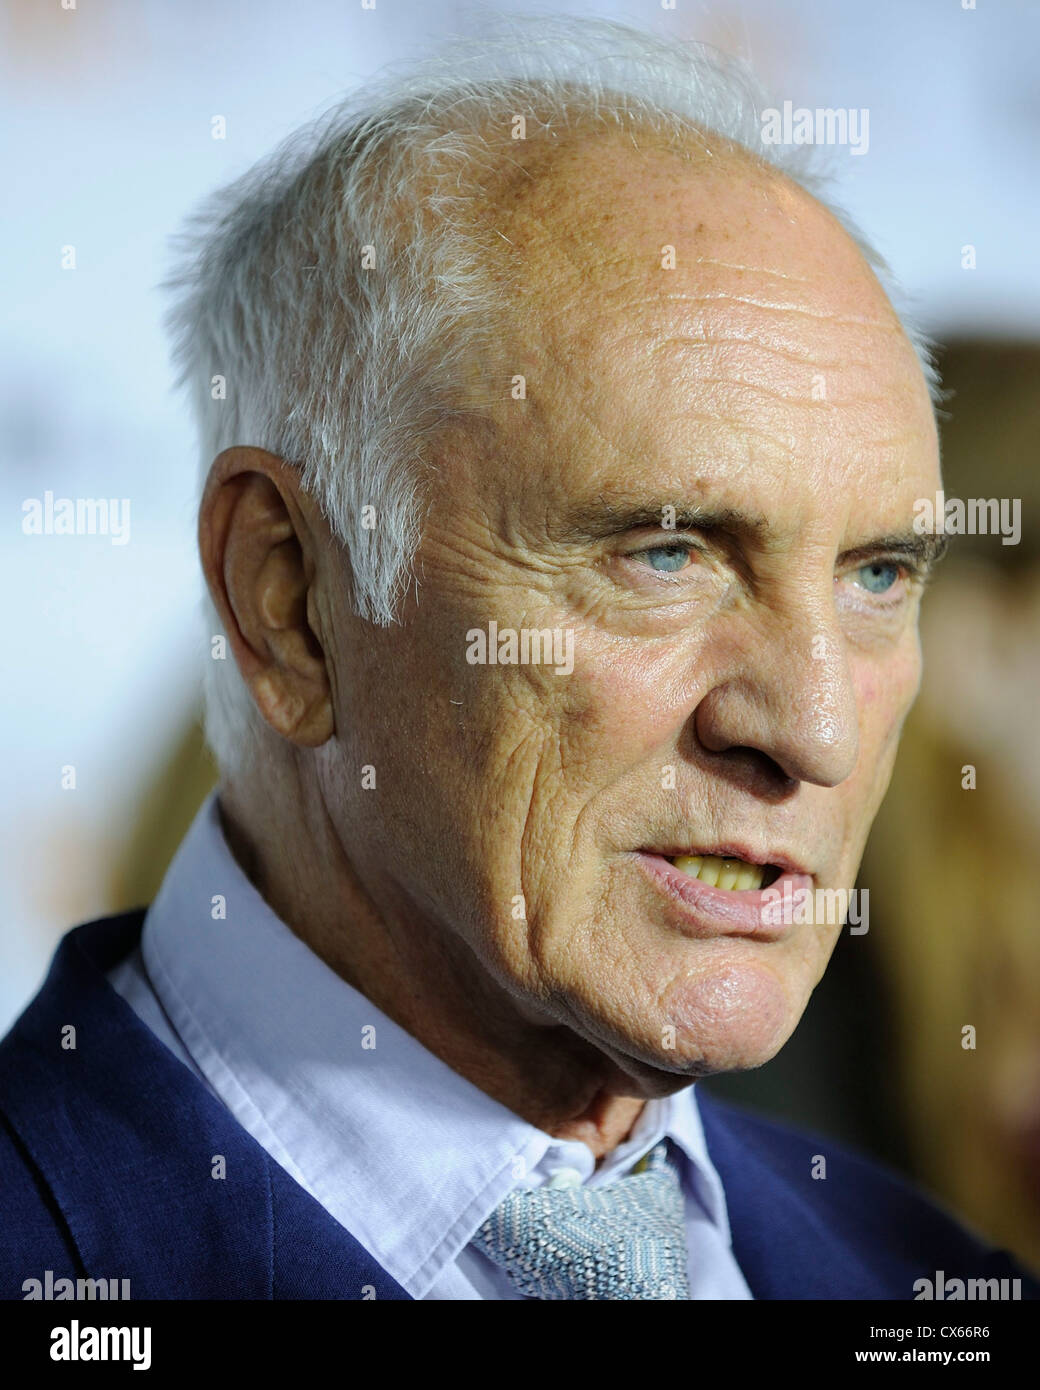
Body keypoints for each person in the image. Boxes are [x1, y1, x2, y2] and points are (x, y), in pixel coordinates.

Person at [2, 17, 1035, 1301]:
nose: (816, 728)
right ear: (290, 601)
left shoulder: (940, 1291)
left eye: (876, 574)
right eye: (666, 554)